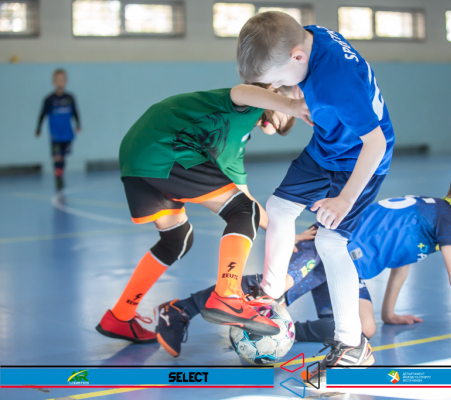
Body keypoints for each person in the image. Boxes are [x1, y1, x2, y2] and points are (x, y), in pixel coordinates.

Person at [154, 164, 451, 359]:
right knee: (271, 291)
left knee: (364, 329)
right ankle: (180, 309)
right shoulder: (446, 218)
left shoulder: (433, 213)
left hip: (346, 269)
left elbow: (402, 260)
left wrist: (388, 313)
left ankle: (287, 330)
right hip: (329, 246)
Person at [236, 11, 396, 369]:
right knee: (278, 208)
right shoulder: (308, 36)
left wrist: (345, 199)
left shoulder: (336, 81)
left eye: (278, 80)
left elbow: (376, 143)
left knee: (331, 242)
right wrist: (289, 97)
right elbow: (294, 75)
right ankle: (271, 296)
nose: (276, 87)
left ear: (297, 57)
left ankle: (352, 344)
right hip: (327, 147)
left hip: (359, 158)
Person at [95, 84, 312, 346]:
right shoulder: (249, 103)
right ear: (274, 92)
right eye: (292, 101)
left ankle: (120, 315)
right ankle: (227, 294)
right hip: (166, 146)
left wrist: (285, 235)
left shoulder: (238, 139)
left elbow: (245, 196)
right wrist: (290, 105)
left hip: (140, 153)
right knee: (243, 210)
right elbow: (240, 91)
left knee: (177, 239)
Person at [36, 68, 81, 191]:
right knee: (57, 156)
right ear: (53, 82)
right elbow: (42, 114)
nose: (60, 82)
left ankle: (60, 173)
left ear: (66, 81)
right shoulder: (49, 99)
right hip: (55, 133)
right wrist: (38, 129)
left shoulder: (70, 98)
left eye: (62, 79)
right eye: (57, 80)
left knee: (63, 157)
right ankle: (58, 178)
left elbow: (75, 112)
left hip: (67, 133)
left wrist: (78, 125)